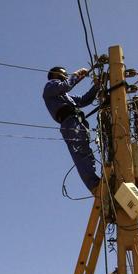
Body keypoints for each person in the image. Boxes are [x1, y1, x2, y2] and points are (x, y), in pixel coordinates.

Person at [43, 65, 101, 195]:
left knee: (85, 151)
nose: (65, 76)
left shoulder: (64, 96)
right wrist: (77, 74)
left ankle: (98, 182)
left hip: (77, 122)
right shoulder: (50, 87)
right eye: (64, 74)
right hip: (69, 122)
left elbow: (83, 100)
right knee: (80, 152)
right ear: (56, 74)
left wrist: (97, 86)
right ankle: (94, 185)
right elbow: (65, 85)